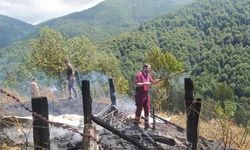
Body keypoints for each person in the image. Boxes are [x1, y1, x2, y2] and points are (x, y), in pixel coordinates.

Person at [134, 63, 159, 128]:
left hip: (146, 94)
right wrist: (144, 83)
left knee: (147, 108)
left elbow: (152, 82)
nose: (150, 69)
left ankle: (147, 123)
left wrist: (156, 82)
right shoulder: (139, 74)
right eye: (149, 68)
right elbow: (136, 84)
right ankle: (136, 122)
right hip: (139, 94)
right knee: (139, 108)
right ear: (145, 68)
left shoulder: (148, 75)